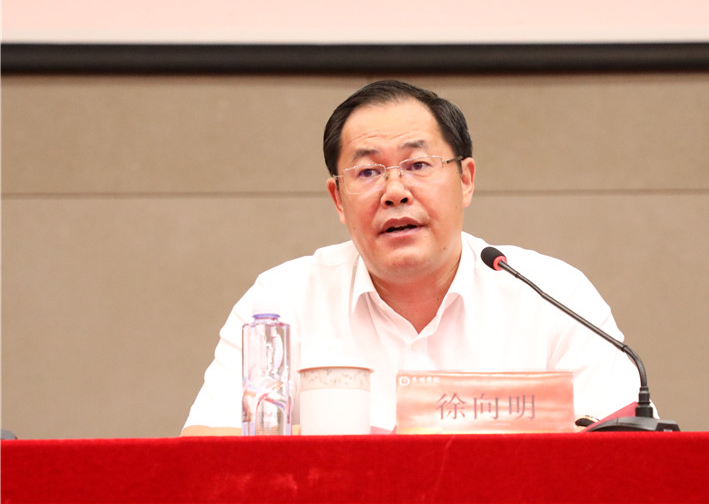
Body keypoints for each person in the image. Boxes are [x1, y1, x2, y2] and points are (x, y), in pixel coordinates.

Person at [181, 80, 640, 436]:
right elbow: (205, 446)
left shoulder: (553, 295)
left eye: (418, 165)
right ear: (338, 199)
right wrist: (365, 446)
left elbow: (624, 448)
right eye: (367, 172)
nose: (395, 192)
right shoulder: (283, 301)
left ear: (466, 180)